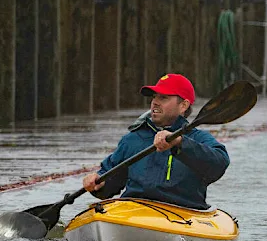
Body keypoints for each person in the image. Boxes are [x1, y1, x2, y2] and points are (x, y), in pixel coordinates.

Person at [82, 74, 229, 210]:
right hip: (134, 210)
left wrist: (179, 142)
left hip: (182, 213)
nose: (155, 103)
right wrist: (99, 183)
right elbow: (111, 183)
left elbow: (220, 163)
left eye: (163, 98)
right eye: (154, 97)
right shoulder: (132, 139)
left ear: (183, 105)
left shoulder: (198, 139)